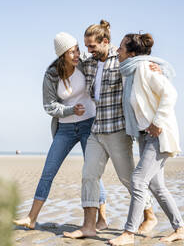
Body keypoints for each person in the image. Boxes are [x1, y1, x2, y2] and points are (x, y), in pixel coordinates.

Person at [63, 20, 166, 239]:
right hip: (97, 129)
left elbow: (146, 66)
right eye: (86, 46)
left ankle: (150, 216)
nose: (88, 51)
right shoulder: (89, 64)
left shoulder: (122, 61)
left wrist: (160, 68)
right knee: (89, 175)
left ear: (105, 42)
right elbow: (67, 63)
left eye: (92, 46)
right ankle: (89, 225)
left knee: (128, 178)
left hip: (118, 129)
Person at [13, 32, 108, 230]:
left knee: (92, 171)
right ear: (62, 54)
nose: (77, 55)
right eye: (71, 52)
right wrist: (70, 110)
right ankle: (31, 218)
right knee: (48, 171)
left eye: (77, 50)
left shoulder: (85, 63)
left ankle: (102, 219)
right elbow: (49, 106)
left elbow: (108, 54)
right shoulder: (51, 74)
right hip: (64, 128)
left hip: (88, 124)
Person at [108, 33, 184, 245]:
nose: (118, 51)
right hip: (145, 135)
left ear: (132, 53)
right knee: (156, 186)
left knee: (138, 180)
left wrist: (158, 122)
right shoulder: (130, 72)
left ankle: (128, 233)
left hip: (158, 135)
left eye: (121, 48)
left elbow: (170, 93)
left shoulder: (144, 68)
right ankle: (180, 229)